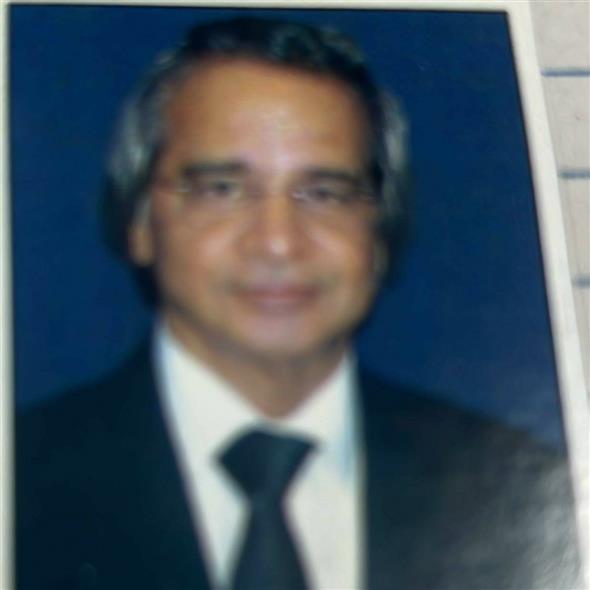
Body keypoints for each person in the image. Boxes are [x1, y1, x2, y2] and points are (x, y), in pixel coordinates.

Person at [15, 16, 581, 590]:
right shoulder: (20, 481)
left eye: (324, 193)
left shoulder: (522, 491)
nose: (279, 242)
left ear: (382, 233)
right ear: (138, 220)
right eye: (222, 189)